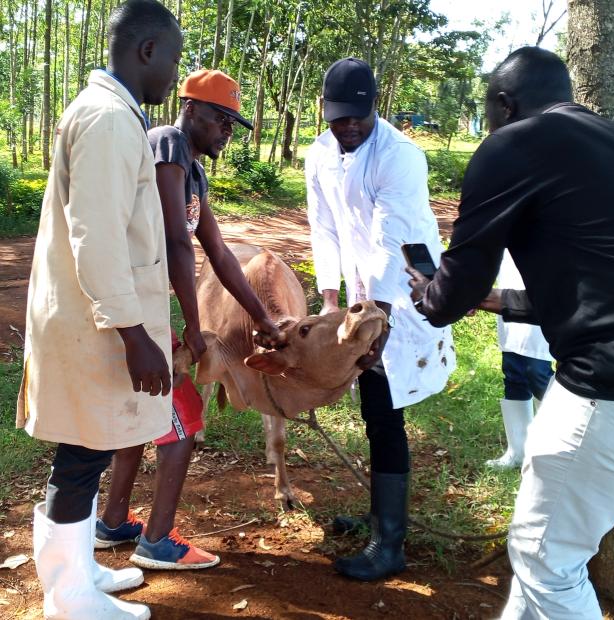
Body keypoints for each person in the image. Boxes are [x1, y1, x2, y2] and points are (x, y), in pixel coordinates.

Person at [407, 47, 614, 619]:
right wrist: (494, 302)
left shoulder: (511, 144)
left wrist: (432, 294)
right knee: (541, 541)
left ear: (503, 104)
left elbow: (451, 291)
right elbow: (610, 286)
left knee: (547, 556)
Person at [15, 1, 182, 618]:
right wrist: (136, 335)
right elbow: (99, 238)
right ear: (146, 52)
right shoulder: (111, 121)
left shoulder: (111, 115)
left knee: (88, 448)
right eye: (172, 57)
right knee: (84, 454)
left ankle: (80, 570)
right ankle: (68, 598)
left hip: (95, 319)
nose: (172, 71)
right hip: (101, 326)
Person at [95, 69, 282, 571]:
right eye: (221, 117)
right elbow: (177, 241)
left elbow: (217, 251)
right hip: (137, 316)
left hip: (146, 315)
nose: (228, 129)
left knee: (144, 418)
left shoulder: (193, 171)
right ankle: (155, 543)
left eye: (233, 122)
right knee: (180, 424)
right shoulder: (167, 144)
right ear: (191, 108)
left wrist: (262, 317)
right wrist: (195, 328)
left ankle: (111, 521)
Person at [305, 57, 455, 581]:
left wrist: (379, 321)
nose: (347, 127)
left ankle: (389, 544)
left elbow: (393, 242)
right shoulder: (320, 153)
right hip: (360, 291)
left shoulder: (401, 157)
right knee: (372, 407)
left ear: (375, 108)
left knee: (385, 408)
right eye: (338, 117)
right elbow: (323, 227)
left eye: (358, 118)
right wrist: (329, 302)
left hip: (403, 294)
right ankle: (377, 516)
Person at [486, 250, 553, 470]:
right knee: (513, 372)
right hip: (508, 292)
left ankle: (553, 448)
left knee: (538, 372)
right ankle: (518, 451)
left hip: (542, 294)